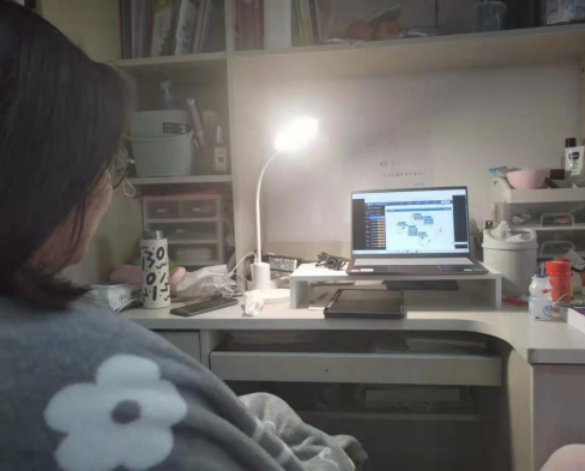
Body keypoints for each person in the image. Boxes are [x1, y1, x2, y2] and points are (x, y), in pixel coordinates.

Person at [0, 2, 366, 470]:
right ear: (46, 178)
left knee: (265, 406)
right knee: (319, 438)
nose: (108, 188)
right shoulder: (98, 368)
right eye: (108, 164)